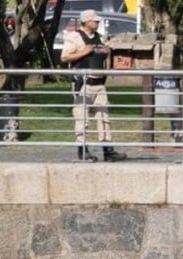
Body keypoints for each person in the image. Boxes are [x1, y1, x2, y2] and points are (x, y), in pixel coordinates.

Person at [60, 9, 126, 163]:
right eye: (94, 21)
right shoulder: (74, 37)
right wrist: (83, 52)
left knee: (104, 117)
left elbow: (99, 57)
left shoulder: (98, 37)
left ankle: (108, 150)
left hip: (100, 84)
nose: (97, 23)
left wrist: (106, 52)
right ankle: (82, 150)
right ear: (86, 21)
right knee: (82, 118)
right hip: (83, 84)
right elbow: (65, 57)